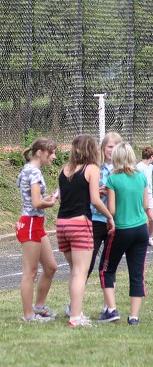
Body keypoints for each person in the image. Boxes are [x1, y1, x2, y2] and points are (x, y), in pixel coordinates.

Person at [56, 135, 115, 327]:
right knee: (80, 272)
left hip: (62, 224)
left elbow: (63, 197)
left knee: (74, 270)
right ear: (92, 150)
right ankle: (75, 317)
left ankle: (76, 310)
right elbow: (95, 201)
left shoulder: (64, 169)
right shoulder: (92, 169)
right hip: (80, 224)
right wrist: (109, 216)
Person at [72, 132, 122, 320]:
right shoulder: (94, 168)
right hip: (94, 219)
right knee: (87, 263)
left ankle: (108, 306)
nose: (112, 150)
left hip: (113, 221)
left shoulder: (121, 169)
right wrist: (97, 191)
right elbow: (83, 189)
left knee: (109, 265)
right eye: (109, 147)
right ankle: (75, 304)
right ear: (102, 148)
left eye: (115, 146)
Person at [99, 142, 149, 325]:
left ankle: (111, 309)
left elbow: (111, 210)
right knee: (137, 273)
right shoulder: (141, 176)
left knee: (106, 269)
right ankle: (134, 317)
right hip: (141, 229)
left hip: (121, 228)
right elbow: (145, 205)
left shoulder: (113, 179)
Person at [16, 138, 59, 322]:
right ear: (40, 153)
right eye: (51, 152)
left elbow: (33, 199)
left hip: (35, 223)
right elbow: (35, 202)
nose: (54, 156)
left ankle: (39, 306)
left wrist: (46, 199)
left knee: (51, 267)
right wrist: (50, 202)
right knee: (30, 272)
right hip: (31, 223)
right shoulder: (33, 172)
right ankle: (29, 315)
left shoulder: (29, 170)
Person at [135, 146, 153, 247]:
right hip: (141, 194)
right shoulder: (139, 167)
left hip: (149, 194)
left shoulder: (150, 167)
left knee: (151, 218)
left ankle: (149, 237)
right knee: (144, 217)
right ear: (151, 156)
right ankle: (143, 237)